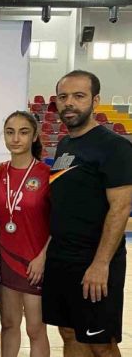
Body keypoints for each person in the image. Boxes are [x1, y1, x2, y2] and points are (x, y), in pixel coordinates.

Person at [43, 70, 132, 357]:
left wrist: (100, 264)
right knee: (69, 332)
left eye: (79, 96)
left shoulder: (115, 147)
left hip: (94, 260)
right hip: (62, 258)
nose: (69, 103)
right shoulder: (65, 144)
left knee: (101, 342)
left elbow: (120, 208)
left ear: (95, 101)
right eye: (63, 96)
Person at [0, 111, 50, 357]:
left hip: (36, 261)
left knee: (35, 328)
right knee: (8, 324)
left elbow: (60, 222)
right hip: (6, 259)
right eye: (10, 132)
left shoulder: (47, 174)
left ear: (34, 136)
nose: (16, 138)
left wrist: (43, 257)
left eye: (23, 132)